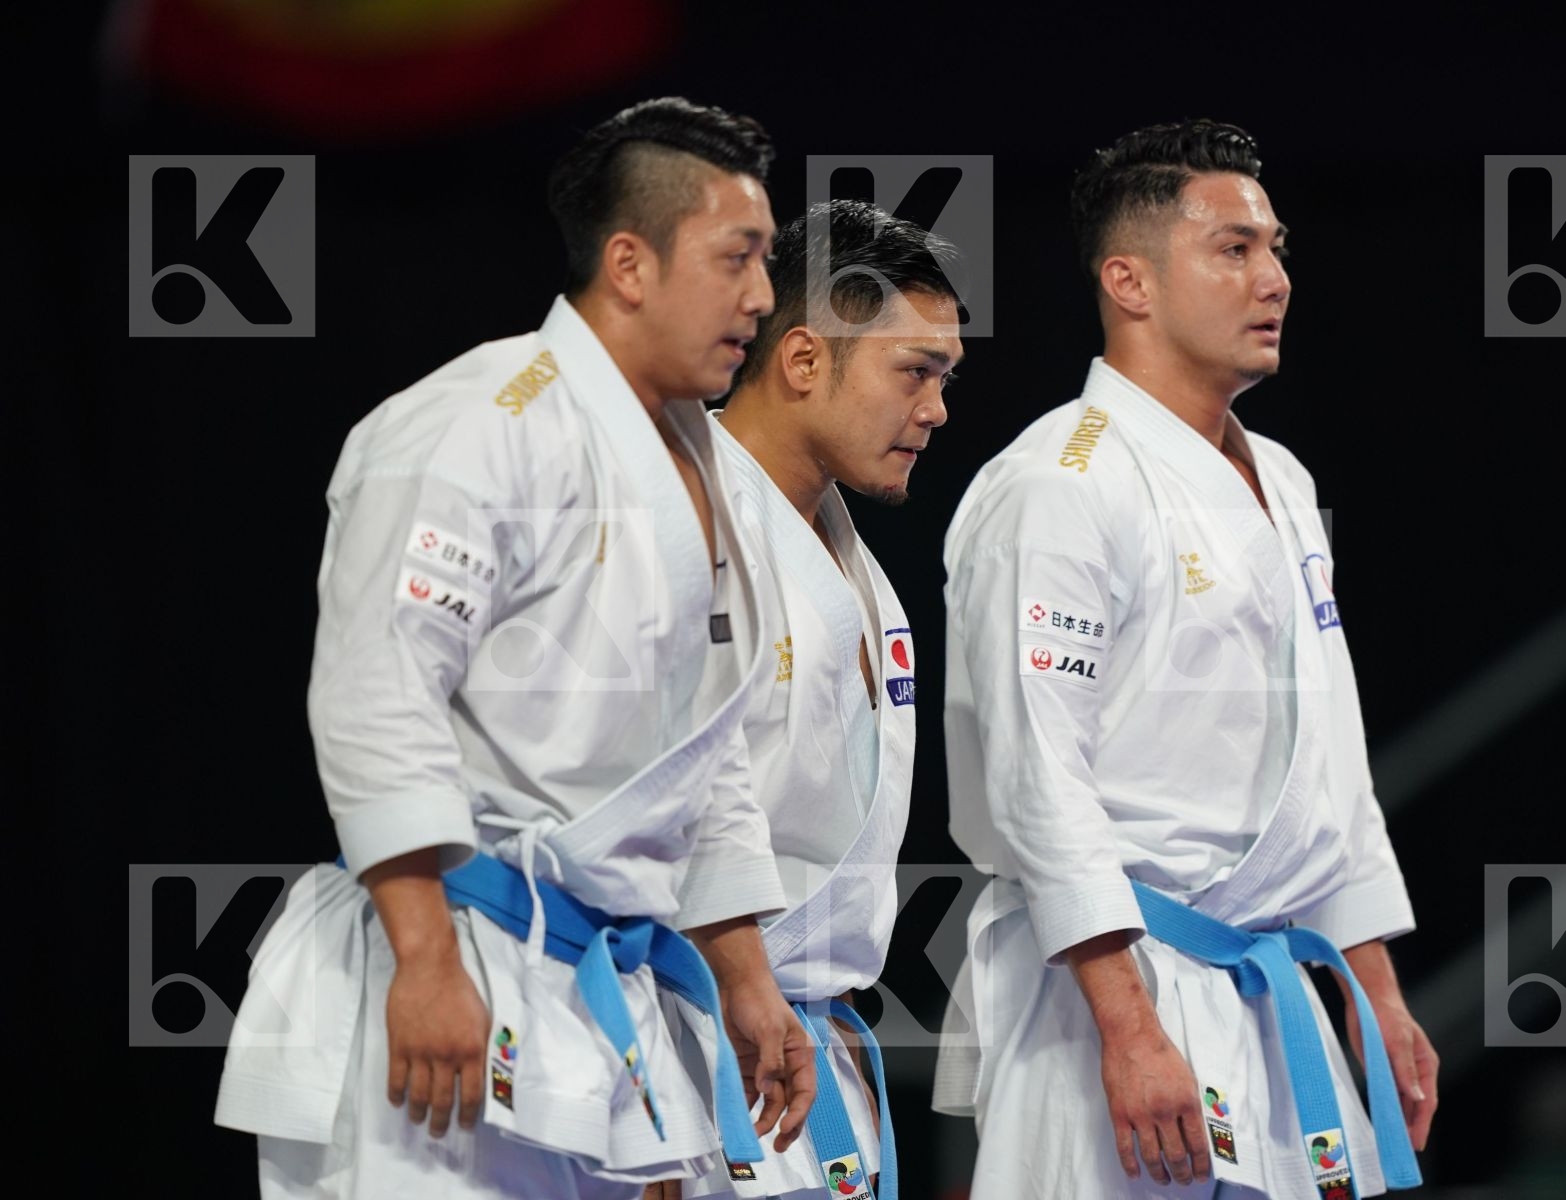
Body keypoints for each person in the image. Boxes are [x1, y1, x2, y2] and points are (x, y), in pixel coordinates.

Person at [214, 96, 818, 1198]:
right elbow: (376, 692)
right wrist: (426, 952)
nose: (764, 299)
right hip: (449, 942)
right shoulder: (478, 421)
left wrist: (745, 972)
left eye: (768, 261)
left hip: (595, 986)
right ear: (629, 264)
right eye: (738, 259)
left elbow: (706, 747)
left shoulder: (713, 467)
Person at [930, 119, 1440, 1198]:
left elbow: (1330, 766)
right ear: (1131, 281)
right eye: (1235, 249)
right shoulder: (1059, 484)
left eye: (1277, 247)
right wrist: (1128, 1026)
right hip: (1113, 994)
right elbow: (1037, 782)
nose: (1275, 279)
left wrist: (1376, 993)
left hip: (1272, 989)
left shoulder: (1288, 482)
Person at [651, 200, 964, 1200]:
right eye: (914, 372)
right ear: (800, 363)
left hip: (800, 1044)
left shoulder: (857, 568)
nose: (938, 409)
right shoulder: (672, 521)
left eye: (946, 378)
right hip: (678, 1026)